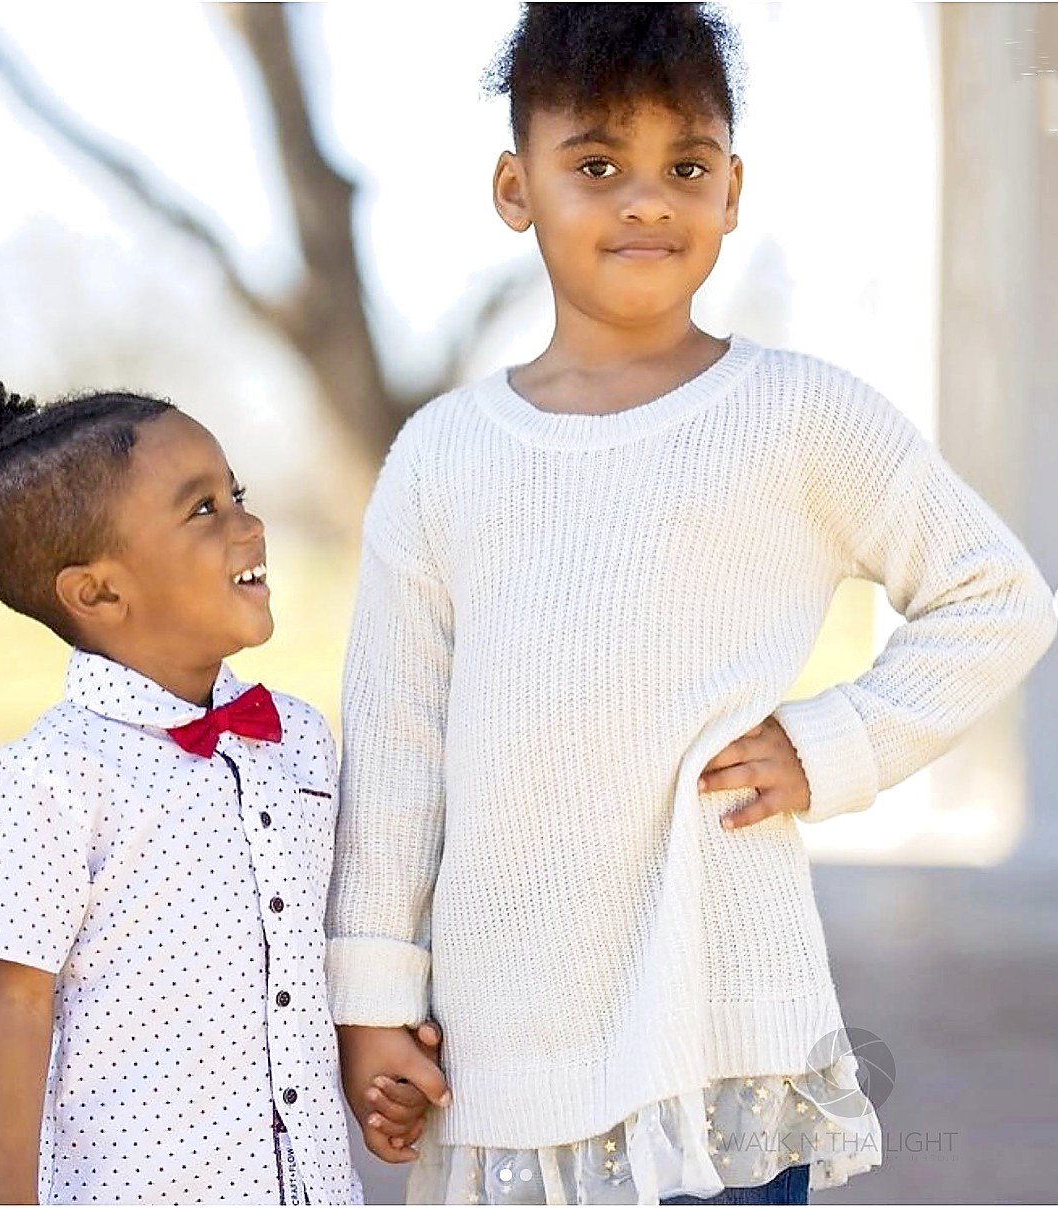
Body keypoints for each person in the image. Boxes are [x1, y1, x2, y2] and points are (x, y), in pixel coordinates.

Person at [323, 4, 1058, 1206]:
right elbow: (396, 749)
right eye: (597, 164)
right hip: (502, 1040)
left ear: (732, 191)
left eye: (687, 166)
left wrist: (832, 743)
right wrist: (371, 1001)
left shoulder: (798, 415)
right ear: (516, 189)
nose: (646, 200)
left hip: (716, 1036)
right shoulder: (442, 456)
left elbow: (998, 595)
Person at [0, 371, 439, 1205]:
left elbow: (307, 954)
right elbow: (15, 1009)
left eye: (238, 494)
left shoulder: (295, 734)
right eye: (203, 510)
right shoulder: (52, 772)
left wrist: (373, 1065)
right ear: (99, 591)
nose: (250, 525)